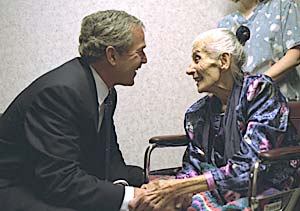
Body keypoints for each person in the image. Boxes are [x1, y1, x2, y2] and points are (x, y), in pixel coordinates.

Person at [130, 28, 299, 211]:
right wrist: (172, 190)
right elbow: (193, 166)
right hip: (217, 188)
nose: (189, 70)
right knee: (155, 200)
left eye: (197, 58)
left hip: (265, 186)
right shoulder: (197, 113)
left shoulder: (260, 92)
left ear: (224, 61)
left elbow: (249, 166)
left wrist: (178, 187)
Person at [0, 10, 149, 211]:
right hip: (16, 187)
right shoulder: (60, 92)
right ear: (112, 55)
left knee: (139, 181)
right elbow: (59, 179)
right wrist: (131, 197)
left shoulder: (105, 90)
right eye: (139, 51)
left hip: (49, 180)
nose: (144, 60)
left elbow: (108, 154)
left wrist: (127, 186)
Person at [218, 0, 300, 101]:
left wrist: (257, 83)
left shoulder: (282, 6)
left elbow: (295, 55)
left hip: (282, 101)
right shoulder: (226, 24)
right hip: (242, 107)